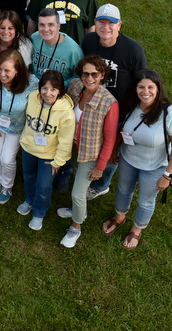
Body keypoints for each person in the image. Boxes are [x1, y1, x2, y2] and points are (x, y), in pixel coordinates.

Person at [101, 69, 172, 250]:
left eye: (150, 87)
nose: (145, 91)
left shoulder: (170, 114)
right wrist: (115, 149)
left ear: (158, 89)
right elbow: (124, 129)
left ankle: (137, 229)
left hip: (155, 167)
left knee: (146, 200)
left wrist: (167, 175)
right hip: (128, 159)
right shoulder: (132, 104)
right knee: (123, 190)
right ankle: (119, 218)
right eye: (141, 87)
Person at [82, 3, 148, 200]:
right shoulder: (89, 41)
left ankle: (100, 185)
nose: (105, 27)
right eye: (101, 22)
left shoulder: (133, 50)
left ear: (119, 25)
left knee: (111, 151)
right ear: (95, 23)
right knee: (91, 141)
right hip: (93, 106)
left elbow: (142, 82)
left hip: (120, 111)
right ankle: (86, 171)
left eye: (111, 23)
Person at [55, 56, 119, 248]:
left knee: (77, 193)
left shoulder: (109, 103)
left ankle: (76, 227)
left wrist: (100, 167)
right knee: (77, 185)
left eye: (94, 74)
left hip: (91, 154)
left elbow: (109, 139)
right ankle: (78, 210)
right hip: (72, 147)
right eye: (85, 73)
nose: (89, 78)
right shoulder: (75, 87)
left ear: (102, 75)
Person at [17, 70, 76, 230]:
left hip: (49, 157)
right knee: (28, 177)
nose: (47, 93)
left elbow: (66, 141)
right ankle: (30, 199)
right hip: (29, 148)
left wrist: (58, 162)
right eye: (44, 88)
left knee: (44, 186)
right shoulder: (32, 99)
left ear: (60, 91)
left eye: (53, 89)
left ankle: (39, 212)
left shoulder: (66, 113)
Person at [0, 49, 39, 204]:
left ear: (17, 71)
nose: (2, 74)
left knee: (7, 159)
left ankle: (7, 186)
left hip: (17, 128)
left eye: (7, 70)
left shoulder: (32, 84)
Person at [29, 8, 84, 85]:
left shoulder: (73, 50)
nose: (46, 29)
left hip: (59, 92)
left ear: (58, 26)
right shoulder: (34, 38)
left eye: (50, 25)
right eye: (42, 25)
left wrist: (59, 86)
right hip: (33, 87)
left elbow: (79, 77)